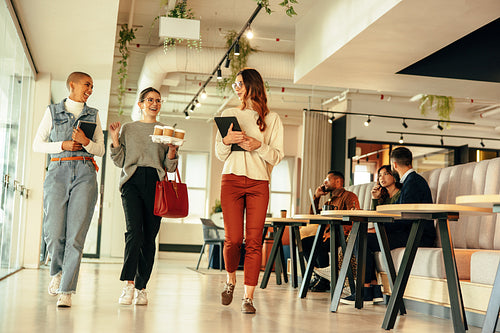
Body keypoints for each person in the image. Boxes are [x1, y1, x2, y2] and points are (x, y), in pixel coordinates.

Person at [33, 71, 105, 307]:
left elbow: (101, 150)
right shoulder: (52, 111)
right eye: (87, 84)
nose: (90, 89)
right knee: (53, 233)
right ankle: (57, 272)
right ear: (71, 85)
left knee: (76, 236)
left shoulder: (93, 115)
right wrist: (61, 144)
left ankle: (67, 291)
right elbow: (37, 144)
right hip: (57, 171)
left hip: (85, 174)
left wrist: (86, 142)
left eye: (92, 86)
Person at [216, 68, 284, 314]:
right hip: (231, 180)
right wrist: (226, 141)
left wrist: (258, 145)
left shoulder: (272, 119)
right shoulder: (229, 114)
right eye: (235, 84)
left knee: (254, 241)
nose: (236, 87)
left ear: (253, 85)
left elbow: (277, 156)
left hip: (258, 183)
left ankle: (248, 298)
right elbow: (219, 154)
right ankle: (230, 279)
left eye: (240, 83)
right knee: (233, 239)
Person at [109, 87, 178, 306]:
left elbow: (169, 167)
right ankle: (128, 284)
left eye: (158, 100)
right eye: (150, 99)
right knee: (134, 233)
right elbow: (119, 161)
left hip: (156, 184)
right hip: (132, 181)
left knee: (149, 237)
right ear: (140, 104)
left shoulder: (165, 130)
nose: (154, 103)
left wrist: (172, 151)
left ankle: (141, 287)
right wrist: (115, 139)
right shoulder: (129, 129)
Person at [341, 165, 402, 304]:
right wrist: (375, 198)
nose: (382, 177)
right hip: (386, 232)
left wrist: (376, 230)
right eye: (380, 175)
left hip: (397, 234)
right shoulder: (384, 197)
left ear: (394, 176)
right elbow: (376, 218)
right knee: (361, 239)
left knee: (362, 240)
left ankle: (366, 289)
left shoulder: (400, 195)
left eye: (386, 174)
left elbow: (394, 220)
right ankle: (373, 288)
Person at [301, 171, 360, 292]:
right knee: (305, 243)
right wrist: (316, 197)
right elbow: (314, 216)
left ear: (338, 182)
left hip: (344, 236)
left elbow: (354, 218)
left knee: (320, 245)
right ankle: (319, 275)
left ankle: (324, 281)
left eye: (327, 180)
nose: (324, 182)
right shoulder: (330, 201)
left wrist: (332, 233)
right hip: (330, 235)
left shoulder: (349, 196)